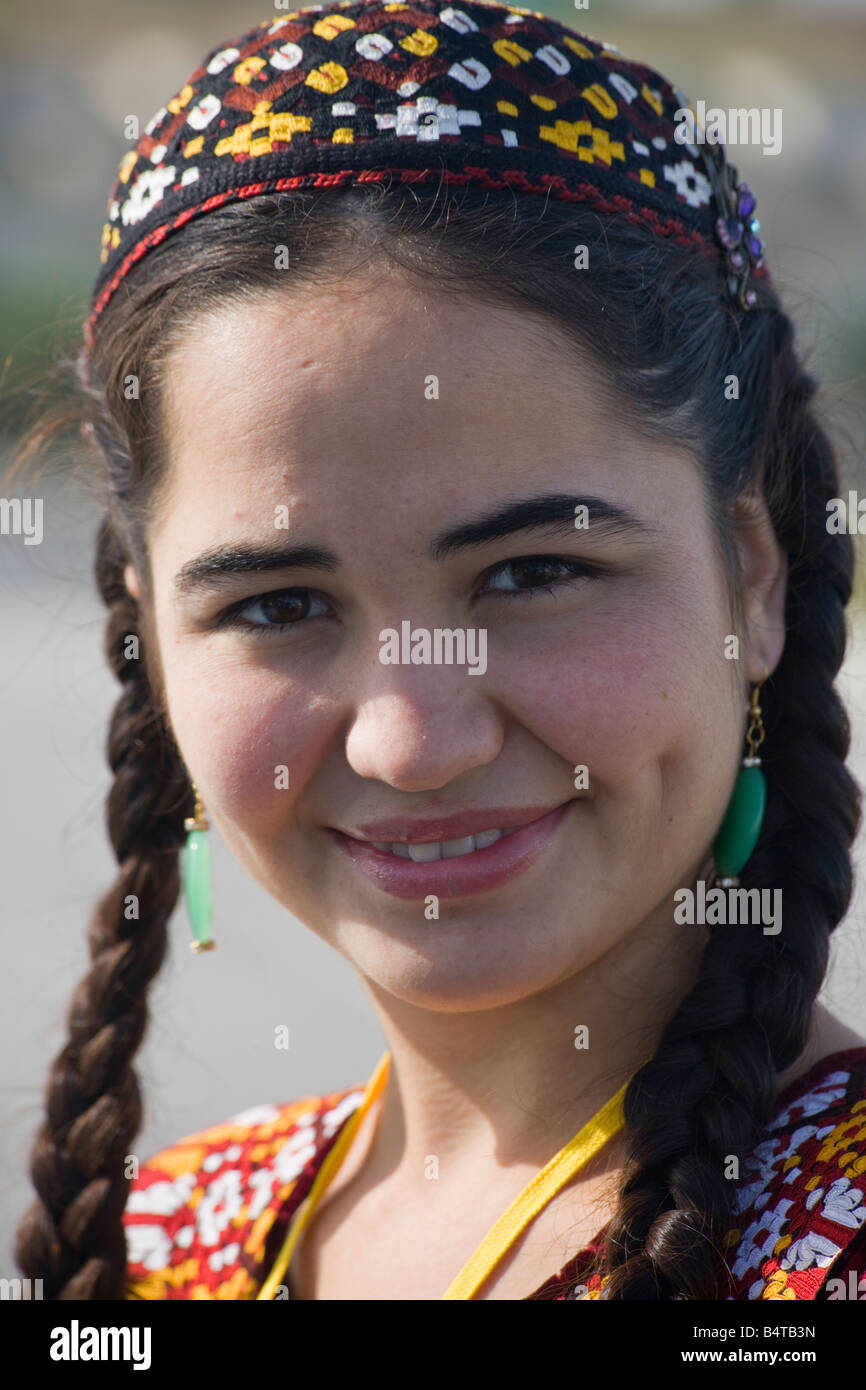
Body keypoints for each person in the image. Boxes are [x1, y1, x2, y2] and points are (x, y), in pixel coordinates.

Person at [11, 0, 866, 1301]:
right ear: (149, 629)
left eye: (533, 573)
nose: (413, 739)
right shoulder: (163, 1240)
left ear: (750, 570)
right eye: (277, 605)